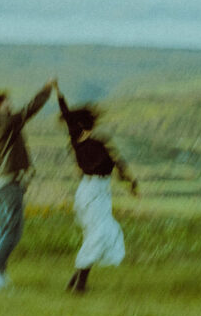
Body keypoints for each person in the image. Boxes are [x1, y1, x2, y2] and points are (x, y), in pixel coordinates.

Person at [54, 80, 138, 293]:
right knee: (100, 233)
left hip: (89, 191)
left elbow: (67, 114)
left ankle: (77, 281)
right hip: (95, 192)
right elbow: (118, 163)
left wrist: (58, 92)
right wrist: (131, 183)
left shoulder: (76, 140)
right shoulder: (98, 142)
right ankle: (79, 283)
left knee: (96, 234)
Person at [0, 80, 54, 289]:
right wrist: (46, 90)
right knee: (14, 230)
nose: (11, 104)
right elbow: (29, 110)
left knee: (4, 229)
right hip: (10, 183)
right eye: (7, 102)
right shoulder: (6, 122)